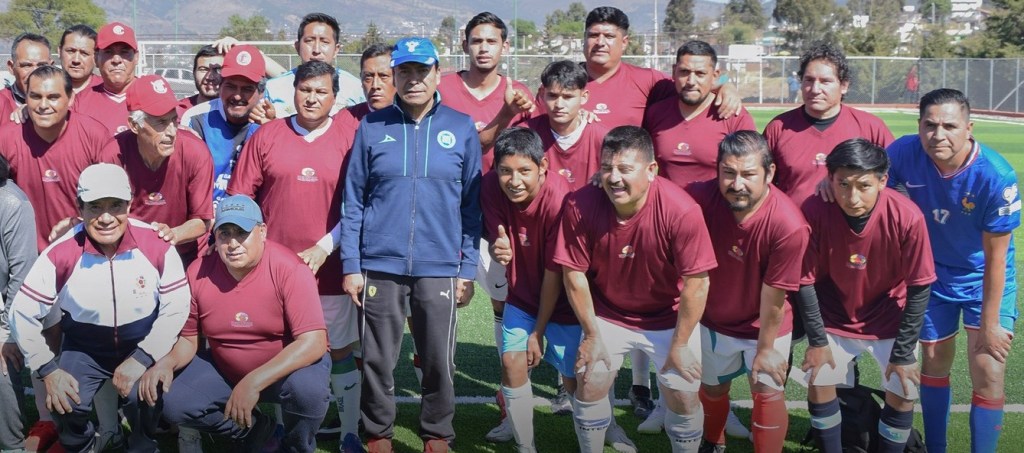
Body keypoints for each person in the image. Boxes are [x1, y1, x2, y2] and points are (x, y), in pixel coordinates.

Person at [341, 37, 481, 453]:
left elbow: (473, 206)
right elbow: (353, 200)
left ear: (438, 73)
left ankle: (437, 432)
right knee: (379, 359)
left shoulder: (460, 127)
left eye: (422, 71)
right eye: (405, 71)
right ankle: (377, 432)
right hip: (379, 264)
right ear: (395, 75)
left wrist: (468, 268)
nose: (414, 79)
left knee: (438, 358)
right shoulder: (371, 126)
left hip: (440, 265)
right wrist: (352, 263)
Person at [554, 126, 717, 453]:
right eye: (607, 168)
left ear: (651, 170)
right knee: (590, 380)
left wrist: (681, 343)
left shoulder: (680, 210)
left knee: (683, 393)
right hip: (609, 313)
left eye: (625, 169)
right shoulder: (579, 205)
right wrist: (591, 334)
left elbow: (698, 284)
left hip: (669, 317)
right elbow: (573, 274)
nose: (614, 178)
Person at [228, 60, 362, 452]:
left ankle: (350, 432)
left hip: (331, 268)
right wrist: (261, 254)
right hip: (275, 275)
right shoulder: (266, 135)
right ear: (292, 92)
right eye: (305, 90)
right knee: (285, 350)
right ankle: (285, 430)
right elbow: (240, 199)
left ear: (335, 97)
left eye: (321, 91)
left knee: (338, 349)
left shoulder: (352, 135)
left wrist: (326, 247)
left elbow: (361, 203)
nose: (312, 98)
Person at [9, 163, 190, 452]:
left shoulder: (157, 244)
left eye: (116, 205)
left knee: (145, 397)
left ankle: (143, 443)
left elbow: (177, 306)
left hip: (140, 340)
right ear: (79, 207)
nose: (106, 218)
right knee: (64, 401)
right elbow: (22, 311)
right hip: (84, 346)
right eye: (95, 207)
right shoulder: (61, 251)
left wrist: (144, 357)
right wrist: (48, 369)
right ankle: (81, 445)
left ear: (130, 205)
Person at [886, 88, 1019, 453]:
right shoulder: (902, 153)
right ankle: (937, 448)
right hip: (931, 276)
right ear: (919, 126)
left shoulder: (996, 176)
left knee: (989, 368)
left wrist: (991, 323)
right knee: (933, 362)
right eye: (929, 125)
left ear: (969, 128)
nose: (938, 135)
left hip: (982, 279)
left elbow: (996, 259)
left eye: (949, 126)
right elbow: (868, 182)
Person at [143, 194, 331, 452]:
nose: (232, 243)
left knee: (308, 392)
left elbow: (314, 342)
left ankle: (296, 446)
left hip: (284, 372)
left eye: (242, 232)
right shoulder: (198, 271)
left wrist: (253, 382)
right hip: (225, 368)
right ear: (215, 237)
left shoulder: (290, 268)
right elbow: (188, 339)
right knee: (174, 401)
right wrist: (166, 363)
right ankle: (256, 432)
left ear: (262, 231)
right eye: (224, 233)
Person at [796, 139, 935, 453]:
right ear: (830, 179)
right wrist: (817, 342)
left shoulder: (908, 217)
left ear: (883, 181)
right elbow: (804, 281)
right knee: (820, 381)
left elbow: (919, 286)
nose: (852, 196)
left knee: (903, 388)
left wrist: (902, 353)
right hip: (834, 316)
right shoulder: (815, 209)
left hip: (889, 316)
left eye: (863, 185)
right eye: (843, 184)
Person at [684, 131, 809, 451]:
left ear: (769, 173)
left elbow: (774, 296)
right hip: (714, 322)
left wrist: (766, 349)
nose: (737, 183)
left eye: (748, 174)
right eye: (728, 172)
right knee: (712, 390)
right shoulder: (700, 196)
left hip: (765, 325)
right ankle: (713, 442)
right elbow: (659, 195)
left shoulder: (789, 224)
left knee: (766, 391)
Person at [483, 127, 577, 453]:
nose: (514, 180)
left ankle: (604, 430)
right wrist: (498, 243)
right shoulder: (490, 187)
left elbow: (555, 273)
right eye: (506, 171)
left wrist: (538, 331)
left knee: (576, 379)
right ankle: (525, 445)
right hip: (521, 297)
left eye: (525, 171)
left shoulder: (561, 200)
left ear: (543, 167)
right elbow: (496, 228)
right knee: (511, 363)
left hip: (565, 301)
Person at [103, 74, 214, 266]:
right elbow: (107, 215)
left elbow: (202, 221)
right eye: (161, 123)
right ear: (134, 125)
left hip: (183, 255)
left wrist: (173, 234)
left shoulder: (196, 152)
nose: (171, 131)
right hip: (129, 254)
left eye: (173, 120)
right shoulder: (113, 155)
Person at [763, 43, 893, 207]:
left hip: (848, 230)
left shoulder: (871, 127)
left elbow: (895, 178)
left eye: (825, 81)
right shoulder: (778, 128)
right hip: (795, 229)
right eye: (809, 80)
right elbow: (761, 183)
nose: (815, 89)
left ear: (844, 86)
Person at [0, 65, 112, 251]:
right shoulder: (7, 138)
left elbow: (112, 198)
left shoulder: (95, 135)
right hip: (26, 255)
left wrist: (81, 223)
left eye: (53, 97)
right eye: (35, 96)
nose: (43, 105)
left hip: (85, 248)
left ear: (70, 99)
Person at [643, 40, 756, 190]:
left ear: (715, 75)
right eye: (684, 72)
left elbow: (751, 173)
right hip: (669, 212)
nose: (691, 81)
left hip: (714, 212)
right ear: (674, 71)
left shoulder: (733, 115)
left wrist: (727, 83)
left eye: (700, 74)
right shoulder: (656, 113)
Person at [181, 45, 268, 208]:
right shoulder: (196, 118)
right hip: (204, 220)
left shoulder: (269, 124)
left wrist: (271, 133)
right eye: (231, 86)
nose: (237, 95)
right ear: (220, 86)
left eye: (247, 89)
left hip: (249, 223)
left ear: (261, 92)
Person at [523, 59, 607, 192]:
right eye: (552, 96)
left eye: (568, 97)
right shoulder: (526, 134)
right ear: (542, 94)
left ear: (584, 97)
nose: (559, 105)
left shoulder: (602, 137)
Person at [0, 153, 37, 453]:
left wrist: (9, 334)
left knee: (0, 365)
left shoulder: (12, 203)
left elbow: (22, 274)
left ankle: (11, 446)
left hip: (5, 307)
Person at [262, 12, 363, 117]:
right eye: (309, 41)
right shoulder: (273, 88)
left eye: (325, 42)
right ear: (297, 47)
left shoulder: (356, 88)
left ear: (336, 50)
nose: (316, 50)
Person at [71, 22, 140, 135]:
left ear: (136, 57)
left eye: (124, 52)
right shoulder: (79, 103)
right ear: (96, 58)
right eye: (108, 52)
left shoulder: (154, 96)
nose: (116, 60)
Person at [1, 33, 53, 124]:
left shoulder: (64, 103)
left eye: (42, 65)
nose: (34, 73)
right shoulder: (2, 103)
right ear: (11, 67)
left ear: (51, 67)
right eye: (26, 65)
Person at [350, 43, 395, 120]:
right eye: (368, 76)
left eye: (383, 76)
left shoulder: (415, 120)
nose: (375, 85)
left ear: (398, 79)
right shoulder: (343, 121)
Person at [176, 45, 224, 118]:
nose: (210, 77)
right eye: (203, 69)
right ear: (194, 72)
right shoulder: (179, 112)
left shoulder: (237, 111)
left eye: (218, 70)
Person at [58, 25, 101, 94]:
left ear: (96, 57)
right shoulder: (44, 87)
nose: (76, 60)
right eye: (70, 51)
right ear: (59, 51)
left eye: (84, 53)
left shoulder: (108, 90)